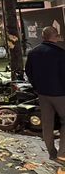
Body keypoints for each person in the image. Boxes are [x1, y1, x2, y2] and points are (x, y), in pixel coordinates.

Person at [24, 26, 65, 162]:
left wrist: (36, 87)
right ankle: (62, 153)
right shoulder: (60, 53)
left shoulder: (33, 52)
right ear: (56, 36)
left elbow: (28, 72)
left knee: (47, 124)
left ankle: (52, 153)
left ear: (43, 36)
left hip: (42, 93)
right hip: (60, 94)